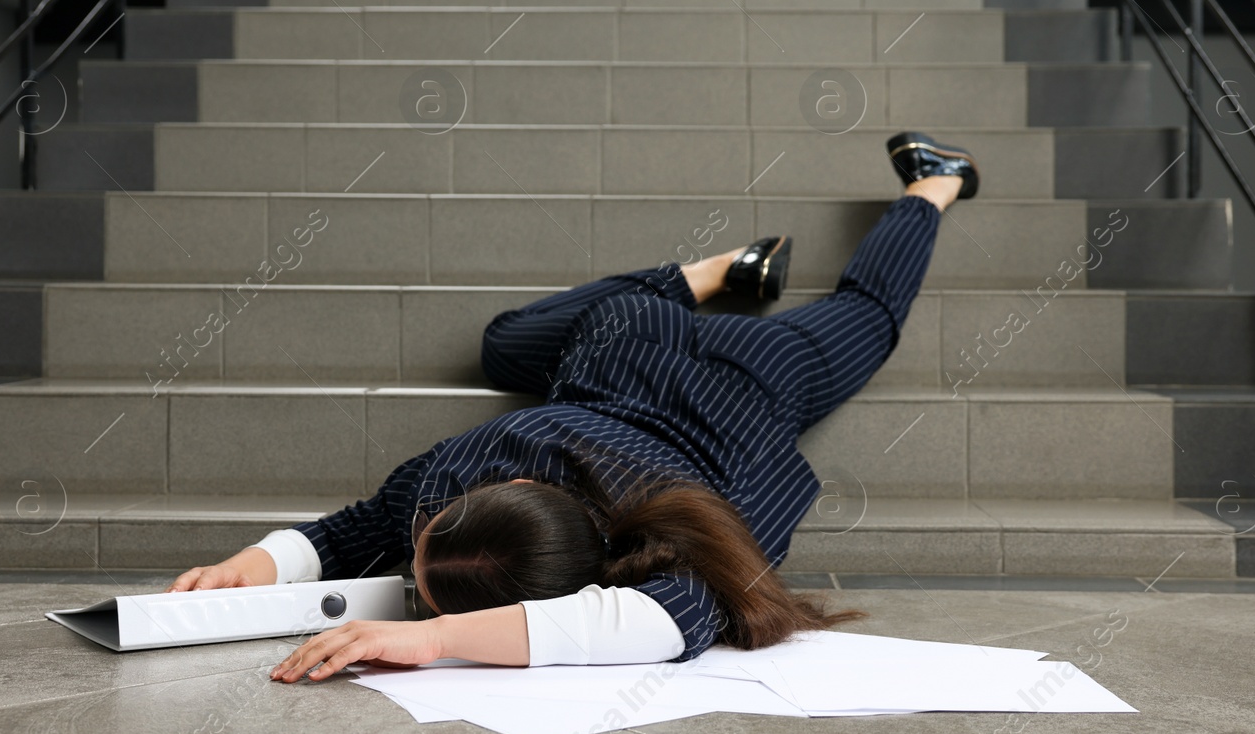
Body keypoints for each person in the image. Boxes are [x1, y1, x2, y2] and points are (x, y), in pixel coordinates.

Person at [168, 132, 979, 683]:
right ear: (509, 493)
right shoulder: (462, 478)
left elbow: (651, 623)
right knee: (501, 344)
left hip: (742, 374)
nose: (405, 552)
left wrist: (438, 636)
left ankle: (936, 181)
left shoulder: (650, 543)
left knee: (869, 317)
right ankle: (716, 270)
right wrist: (254, 563)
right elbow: (350, 531)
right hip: (631, 345)